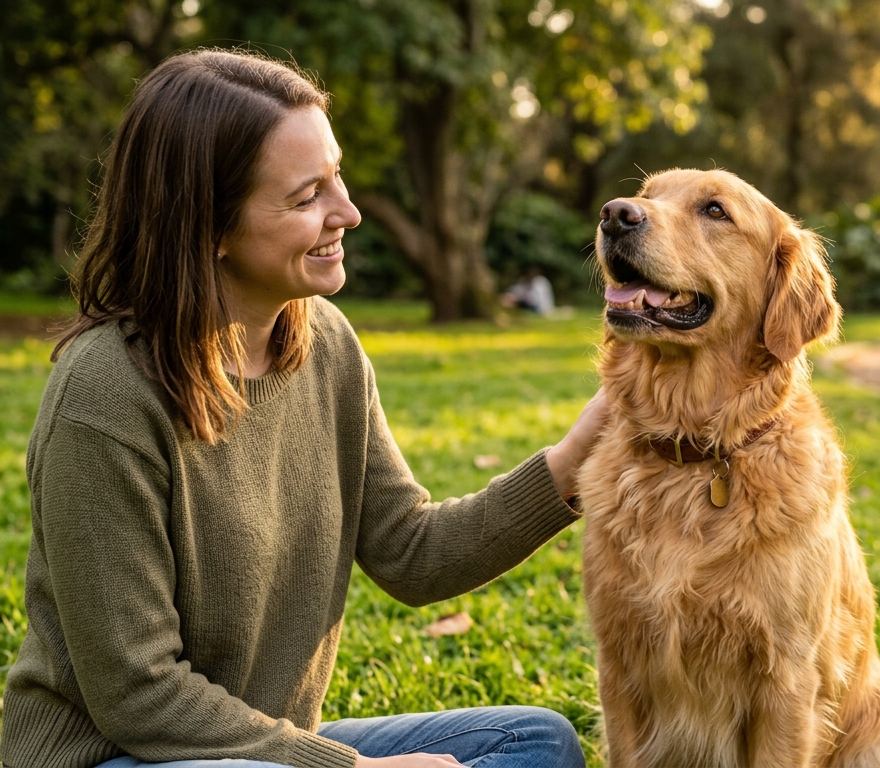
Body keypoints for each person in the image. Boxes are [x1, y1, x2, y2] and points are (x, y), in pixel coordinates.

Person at [0, 50, 605, 768]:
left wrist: (571, 463)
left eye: (337, 175)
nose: (346, 211)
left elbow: (411, 554)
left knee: (532, 743)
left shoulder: (325, 345)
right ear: (209, 227)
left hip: (255, 746)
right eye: (306, 195)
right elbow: (139, 694)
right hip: (113, 758)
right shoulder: (104, 396)